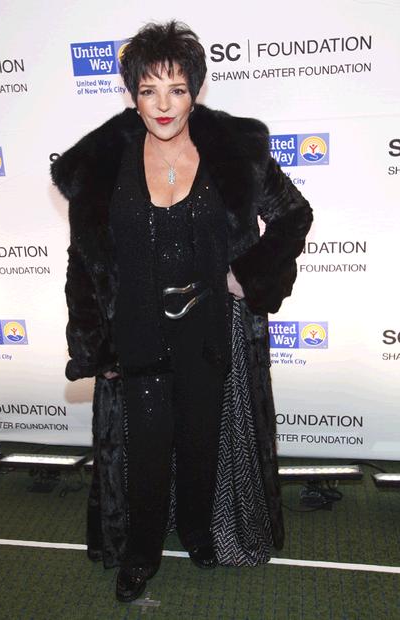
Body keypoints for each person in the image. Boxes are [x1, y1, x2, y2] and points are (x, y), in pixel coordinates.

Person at [51, 20, 313, 603]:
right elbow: (82, 261)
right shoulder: (101, 163)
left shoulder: (233, 151)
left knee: (200, 441)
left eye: (176, 89)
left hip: (210, 328)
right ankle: (140, 554)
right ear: (132, 94)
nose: (164, 105)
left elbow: (294, 214)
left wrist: (247, 276)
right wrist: (93, 344)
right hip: (137, 331)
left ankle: (197, 530)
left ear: (195, 89)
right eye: (149, 90)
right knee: (145, 449)